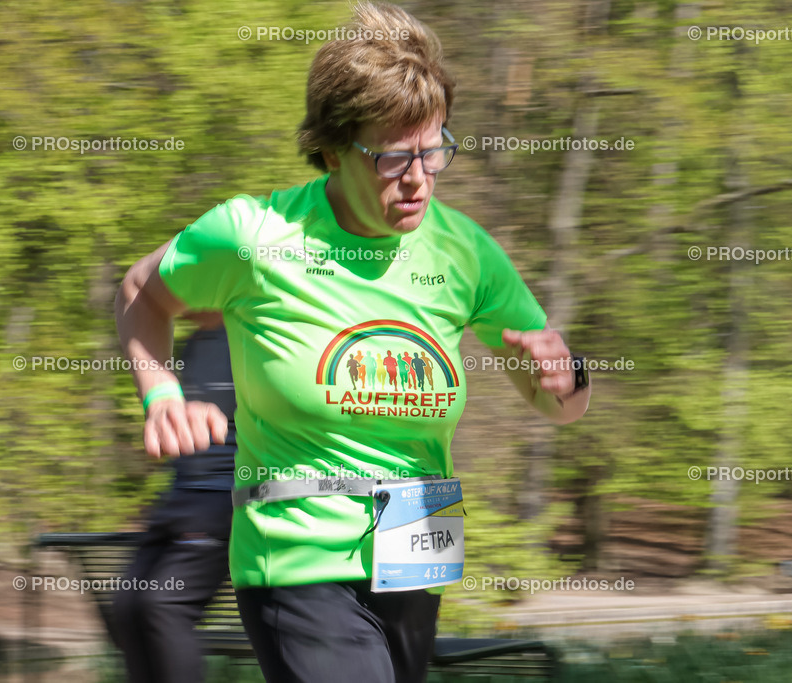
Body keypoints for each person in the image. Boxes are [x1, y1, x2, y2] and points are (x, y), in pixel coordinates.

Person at [113, 4, 591, 682]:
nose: (420, 177)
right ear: (333, 149)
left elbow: (558, 406)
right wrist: (162, 393)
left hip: (418, 538)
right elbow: (141, 291)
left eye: (434, 150)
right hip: (298, 549)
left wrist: (565, 377)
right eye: (394, 157)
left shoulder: (465, 252)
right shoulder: (257, 235)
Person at [111, 313, 236, 683]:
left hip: (222, 498)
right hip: (181, 496)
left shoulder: (247, 337)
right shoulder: (195, 343)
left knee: (163, 605)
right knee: (128, 603)